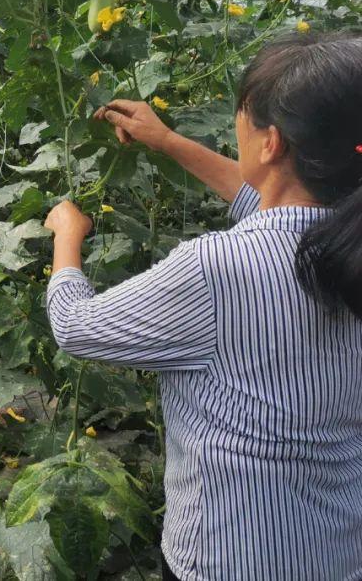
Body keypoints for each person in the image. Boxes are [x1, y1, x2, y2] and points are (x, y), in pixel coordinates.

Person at [42, 33, 362, 581]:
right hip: (335, 550)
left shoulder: (216, 268)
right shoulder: (345, 238)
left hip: (230, 554)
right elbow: (265, 199)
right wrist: (165, 140)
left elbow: (76, 327)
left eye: (244, 115)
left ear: (271, 143)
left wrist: (65, 237)